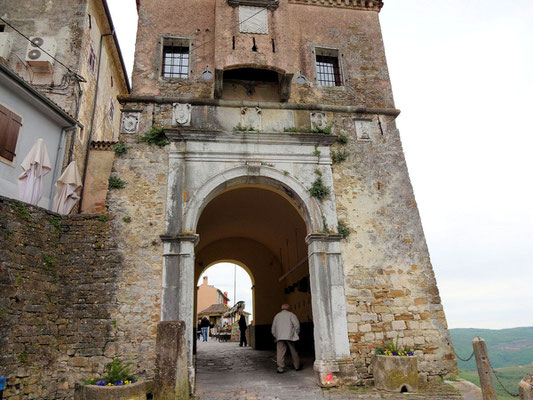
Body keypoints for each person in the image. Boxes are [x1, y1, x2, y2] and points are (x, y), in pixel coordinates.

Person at [271, 304, 301, 373]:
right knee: (293, 351)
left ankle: (280, 368)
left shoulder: (277, 316)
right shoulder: (291, 315)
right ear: (288, 308)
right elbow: (297, 325)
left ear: (282, 309)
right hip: (290, 336)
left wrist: (275, 336)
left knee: (280, 352)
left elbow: (273, 327)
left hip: (280, 336)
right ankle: (297, 366)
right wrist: (296, 333)